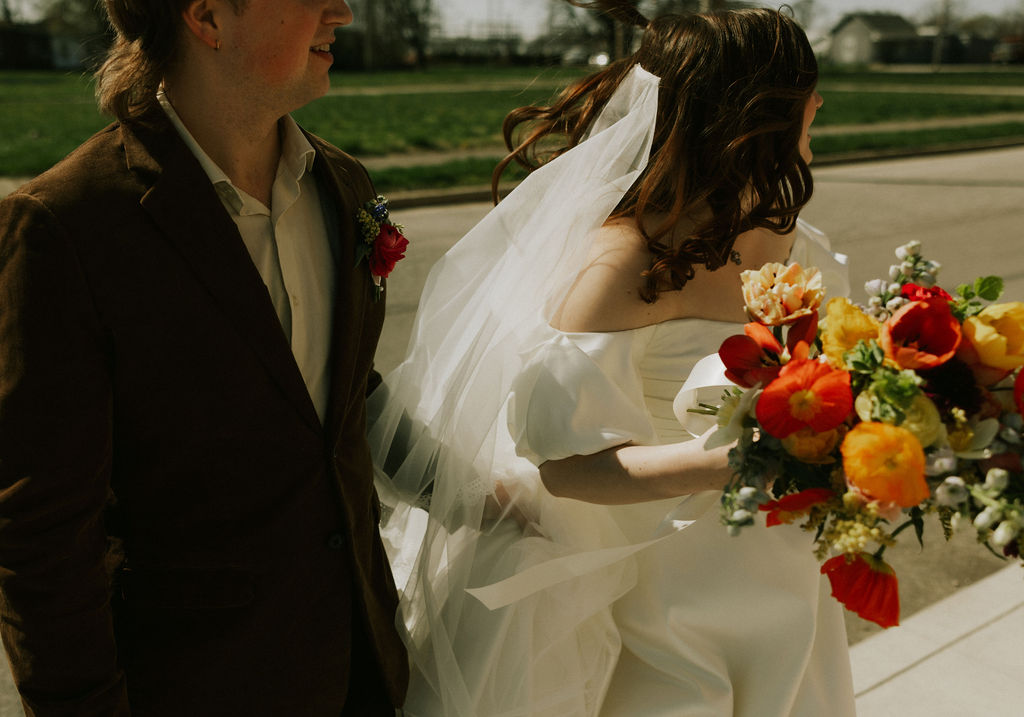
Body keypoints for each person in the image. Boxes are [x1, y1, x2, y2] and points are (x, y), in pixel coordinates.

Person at [369, 2, 856, 716]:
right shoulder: (619, 264)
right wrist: (741, 461)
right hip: (650, 585)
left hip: (779, 569)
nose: (820, 104)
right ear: (755, 115)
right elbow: (567, 468)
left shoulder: (798, 244)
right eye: (805, 92)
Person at [0, 1, 407, 715]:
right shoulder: (65, 225)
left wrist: (490, 488)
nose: (342, 11)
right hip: (195, 686)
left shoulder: (346, 188)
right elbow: (42, 542)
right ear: (209, 16)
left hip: (360, 671)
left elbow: (344, 397)